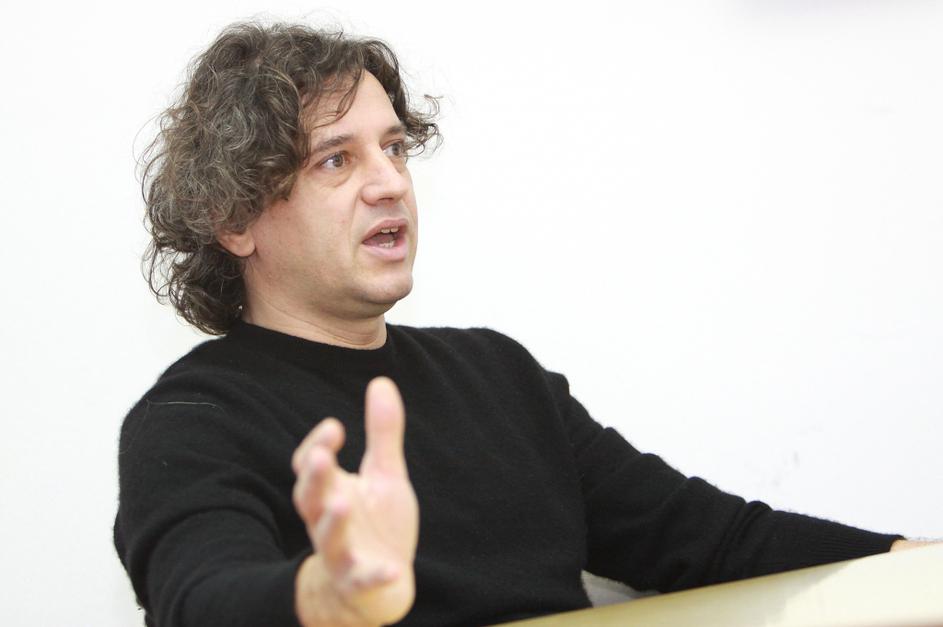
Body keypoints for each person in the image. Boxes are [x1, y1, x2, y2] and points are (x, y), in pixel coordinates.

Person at [114, 20, 926, 627]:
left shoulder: (497, 375)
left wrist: (911, 565)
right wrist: (329, 594)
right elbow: (199, 599)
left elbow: (709, 541)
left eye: (394, 148)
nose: (389, 182)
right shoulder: (192, 418)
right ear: (234, 218)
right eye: (337, 158)